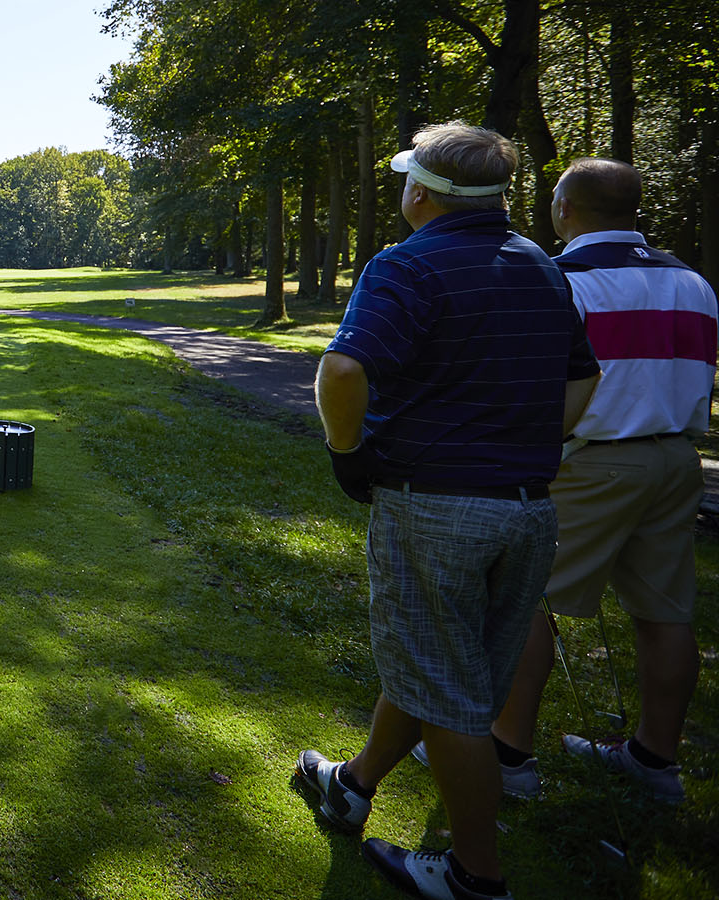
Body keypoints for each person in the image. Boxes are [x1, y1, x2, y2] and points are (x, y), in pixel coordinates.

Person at [299, 122, 601, 900]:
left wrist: (348, 454)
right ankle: (355, 783)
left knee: (452, 695)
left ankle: (475, 874)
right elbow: (580, 381)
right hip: (529, 510)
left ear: (422, 194)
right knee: (449, 669)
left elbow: (342, 370)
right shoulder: (540, 263)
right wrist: (523, 440)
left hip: (434, 506)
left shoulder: (407, 264)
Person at [479, 158, 716, 805]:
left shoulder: (563, 281)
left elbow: (538, 384)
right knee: (664, 613)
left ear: (565, 209)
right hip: (674, 459)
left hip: (592, 460)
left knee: (520, 601)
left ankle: (507, 757)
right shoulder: (693, 283)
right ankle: (654, 761)